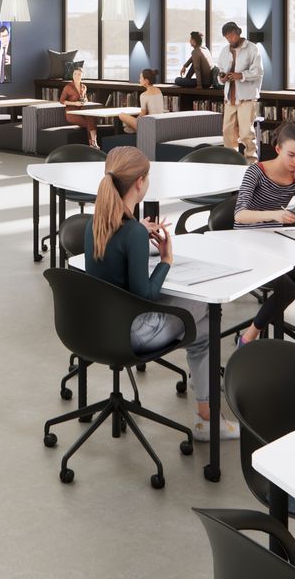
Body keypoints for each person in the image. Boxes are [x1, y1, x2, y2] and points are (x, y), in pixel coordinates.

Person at [80, 146, 235, 441]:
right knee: (207, 312)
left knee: (202, 327)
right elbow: (146, 296)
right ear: (140, 182)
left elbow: (118, 258)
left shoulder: (95, 224)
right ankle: (208, 416)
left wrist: (137, 232)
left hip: (98, 328)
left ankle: (208, 409)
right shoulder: (133, 234)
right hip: (133, 334)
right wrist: (166, 259)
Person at [232, 121, 295, 349]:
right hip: (246, 243)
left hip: (274, 242)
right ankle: (248, 337)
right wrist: (274, 214)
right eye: (291, 155)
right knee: (288, 288)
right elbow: (239, 215)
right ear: (278, 150)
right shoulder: (256, 171)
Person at [216, 22, 263, 155]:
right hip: (229, 99)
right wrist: (222, 77)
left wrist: (240, 75)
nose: (230, 40)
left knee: (246, 134)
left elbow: (258, 72)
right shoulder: (225, 50)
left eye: (231, 36)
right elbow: (220, 70)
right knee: (228, 133)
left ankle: (251, 163)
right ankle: (232, 161)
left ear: (238, 33)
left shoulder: (252, 49)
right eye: (227, 37)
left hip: (246, 99)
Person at [59, 64, 98, 147]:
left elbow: (85, 99)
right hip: (71, 113)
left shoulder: (84, 87)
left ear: (82, 76)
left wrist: (84, 101)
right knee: (89, 124)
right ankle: (93, 143)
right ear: (72, 75)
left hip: (81, 111)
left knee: (91, 119)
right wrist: (74, 103)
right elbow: (61, 101)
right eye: (75, 74)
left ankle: (94, 143)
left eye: (79, 74)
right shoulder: (68, 87)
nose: (76, 76)